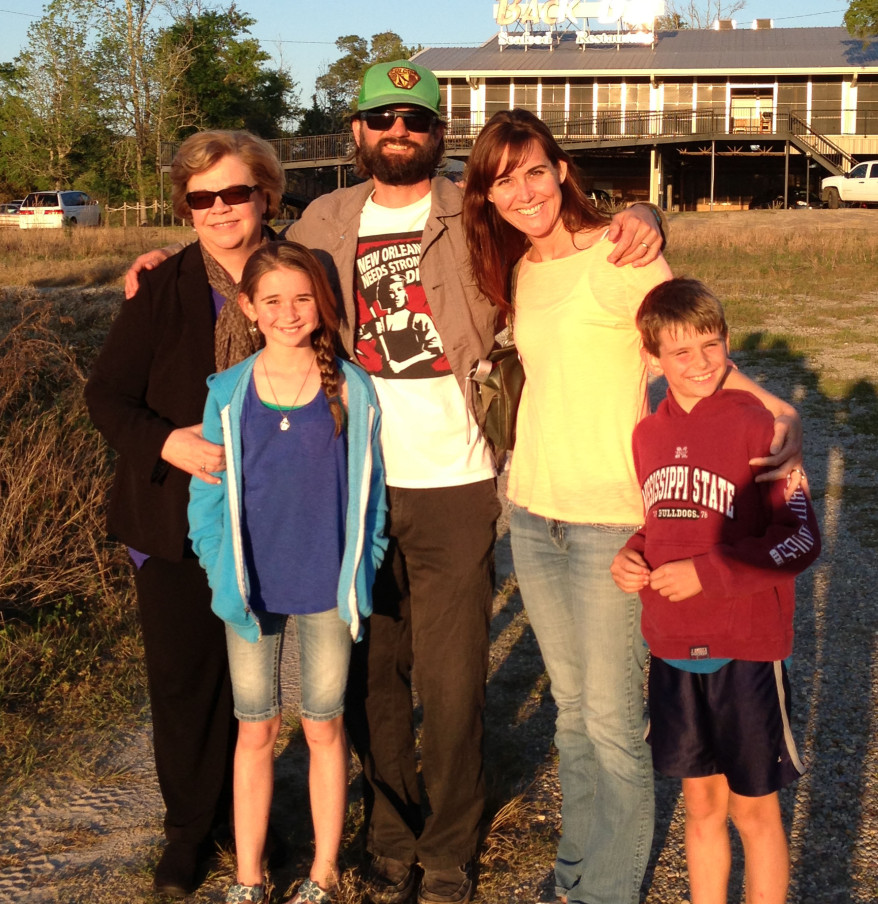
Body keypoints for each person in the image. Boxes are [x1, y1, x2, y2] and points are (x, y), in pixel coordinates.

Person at [124, 59, 666, 904]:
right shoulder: (329, 216)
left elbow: (565, 225)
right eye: (381, 120)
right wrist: (162, 259)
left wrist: (643, 212)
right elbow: (246, 263)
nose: (397, 132)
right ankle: (387, 836)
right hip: (358, 481)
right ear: (357, 134)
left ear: (439, 133)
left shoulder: (478, 209)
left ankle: (448, 849)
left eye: (414, 118)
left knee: (452, 683)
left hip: (457, 484)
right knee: (375, 678)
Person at [461, 109, 803, 904]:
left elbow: (697, 350)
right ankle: (579, 868)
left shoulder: (621, 257)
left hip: (613, 520)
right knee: (571, 716)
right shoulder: (519, 271)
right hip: (535, 516)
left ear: (562, 170)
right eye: (502, 179)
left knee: (614, 724)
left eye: (535, 170)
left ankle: (608, 892)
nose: (523, 191)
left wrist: (776, 412)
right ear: (486, 196)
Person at [86, 130, 285, 897]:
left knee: (256, 685)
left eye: (235, 192)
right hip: (172, 520)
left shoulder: (298, 275)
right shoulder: (161, 287)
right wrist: (166, 442)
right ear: (186, 208)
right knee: (181, 682)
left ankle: (254, 825)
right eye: (201, 199)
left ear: (265, 192)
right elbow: (107, 395)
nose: (220, 209)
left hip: (274, 514)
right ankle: (188, 832)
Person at [188, 242, 388, 904]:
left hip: (328, 591)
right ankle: (249, 877)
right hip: (250, 590)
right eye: (271, 300)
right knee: (257, 728)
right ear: (248, 307)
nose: (288, 312)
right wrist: (219, 567)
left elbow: (372, 498)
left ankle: (324, 871)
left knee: (322, 724)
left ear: (321, 306)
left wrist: (365, 566)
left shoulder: (353, 390)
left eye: (302, 298)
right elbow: (207, 499)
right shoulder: (228, 392)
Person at [611, 277, 820, 904]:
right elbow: (662, 521)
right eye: (680, 352)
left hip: (746, 646)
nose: (700, 363)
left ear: (727, 342)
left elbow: (802, 536)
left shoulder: (765, 427)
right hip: (673, 646)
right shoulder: (646, 435)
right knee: (700, 804)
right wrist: (633, 554)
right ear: (652, 360)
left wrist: (710, 573)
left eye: (711, 345)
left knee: (753, 811)